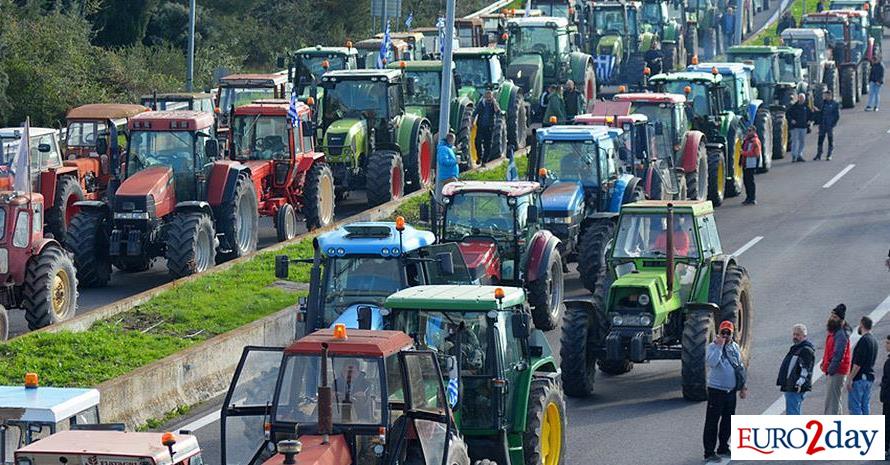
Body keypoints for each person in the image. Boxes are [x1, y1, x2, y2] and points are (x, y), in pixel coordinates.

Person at [703, 320, 747, 462]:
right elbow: (712, 362)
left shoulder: (735, 347)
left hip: (731, 391)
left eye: (728, 333)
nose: (726, 335)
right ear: (719, 333)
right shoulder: (712, 347)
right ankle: (709, 452)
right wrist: (719, 346)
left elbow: (740, 367)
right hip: (716, 391)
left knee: (728, 421)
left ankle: (723, 447)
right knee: (712, 422)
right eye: (724, 332)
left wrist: (743, 386)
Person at [777, 324, 815, 415]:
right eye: (794, 334)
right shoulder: (797, 348)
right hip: (790, 385)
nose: (795, 337)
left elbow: (805, 370)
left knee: (793, 412)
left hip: (795, 387)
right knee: (793, 410)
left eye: (798, 335)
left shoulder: (805, 350)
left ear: (804, 336)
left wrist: (799, 384)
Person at [821, 304, 852, 414]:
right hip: (835, 370)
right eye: (832, 316)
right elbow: (830, 351)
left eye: (835, 317)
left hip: (837, 372)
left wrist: (830, 370)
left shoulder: (840, 334)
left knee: (832, 403)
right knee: (835, 401)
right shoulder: (835, 331)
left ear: (841, 320)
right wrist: (824, 362)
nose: (832, 319)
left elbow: (838, 355)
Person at [847, 316, 878, 414]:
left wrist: (850, 378)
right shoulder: (874, 340)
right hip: (869, 378)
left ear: (861, 324)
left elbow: (858, 363)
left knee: (855, 406)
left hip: (859, 378)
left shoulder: (863, 340)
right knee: (865, 405)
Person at [473, 89, 502, 163]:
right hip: (481, 126)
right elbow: (475, 113)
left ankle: (484, 161)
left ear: (492, 96)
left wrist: (494, 102)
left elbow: (498, 112)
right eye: (487, 96)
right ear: (485, 96)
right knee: (477, 142)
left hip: (489, 127)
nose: (488, 98)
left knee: (488, 144)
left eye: (490, 96)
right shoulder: (481, 103)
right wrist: (472, 122)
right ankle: (479, 157)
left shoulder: (494, 104)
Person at [814, 90, 840, 160]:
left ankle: (829, 155)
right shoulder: (823, 103)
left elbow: (837, 116)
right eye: (825, 95)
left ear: (830, 96)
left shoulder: (834, 104)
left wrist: (833, 124)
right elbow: (821, 113)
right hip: (822, 124)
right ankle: (819, 154)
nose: (825, 97)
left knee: (830, 140)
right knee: (820, 140)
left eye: (827, 95)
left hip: (829, 125)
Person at [741, 125, 761, 205]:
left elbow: (756, 153)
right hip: (745, 164)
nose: (748, 132)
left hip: (751, 164)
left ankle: (752, 198)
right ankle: (748, 197)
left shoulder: (755, 141)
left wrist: (744, 153)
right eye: (748, 130)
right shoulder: (746, 140)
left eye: (750, 131)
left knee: (750, 182)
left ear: (754, 131)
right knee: (746, 182)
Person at [436, 133, 458, 200]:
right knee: (451, 196)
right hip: (448, 176)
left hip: (450, 176)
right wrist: (455, 161)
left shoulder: (448, 148)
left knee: (452, 196)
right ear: (451, 140)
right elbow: (443, 161)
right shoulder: (443, 149)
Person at [788, 93, 810, 162]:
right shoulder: (794, 107)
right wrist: (791, 120)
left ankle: (799, 155)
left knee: (802, 142)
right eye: (800, 98)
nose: (801, 99)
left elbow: (811, 114)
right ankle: (794, 155)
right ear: (798, 98)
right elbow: (788, 114)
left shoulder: (806, 107)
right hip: (795, 127)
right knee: (794, 141)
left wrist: (810, 120)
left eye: (803, 98)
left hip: (803, 127)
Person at [879, 335, 890, 458]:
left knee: (887, 423)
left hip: (888, 399)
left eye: (888, 343)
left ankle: (885, 448)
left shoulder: (888, 363)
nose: (886, 345)